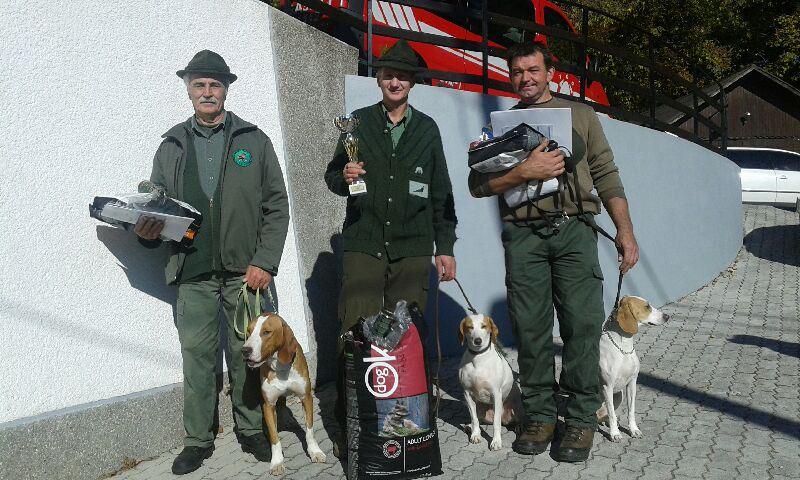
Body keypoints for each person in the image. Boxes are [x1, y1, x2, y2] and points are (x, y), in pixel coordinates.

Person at [468, 41, 639, 462]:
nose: (525, 78)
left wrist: (625, 232)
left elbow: (606, 174)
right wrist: (523, 172)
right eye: (517, 72)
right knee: (530, 327)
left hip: (575, 231)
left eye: (533, 70)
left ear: (550, 72)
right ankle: (541, 415)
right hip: (523, 234)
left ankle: (580, 419)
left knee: (581, 324)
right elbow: (476, 185)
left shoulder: (581, 115)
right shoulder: (500, 124)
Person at [134, 50, 290, 475]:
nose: (207, 92)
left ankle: (254, 429)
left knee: (248, 356)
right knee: (197, 358)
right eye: (199, 84)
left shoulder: (253, 140)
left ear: (226, 90)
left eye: (215, 85)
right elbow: (158, 208)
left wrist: (265, 261)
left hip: (246, 273)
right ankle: (198, 440)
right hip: (192, 271)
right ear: (188, 89)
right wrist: (146, 232)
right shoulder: (170, 146)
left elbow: (277, 205)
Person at [324, 40, 458, 457]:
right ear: (379, 80)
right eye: (387, 75)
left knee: (406, 339)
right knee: (356, 332)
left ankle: (405, 426)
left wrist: (446, 246)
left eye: (402, 75)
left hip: (413, 249)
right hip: (364, 244)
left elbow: (442, 194)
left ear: (412, 83)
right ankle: (354, 426)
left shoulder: (427, 129)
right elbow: (332, 177)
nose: (395, 80)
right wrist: (343, 175)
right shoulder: (357, 123)